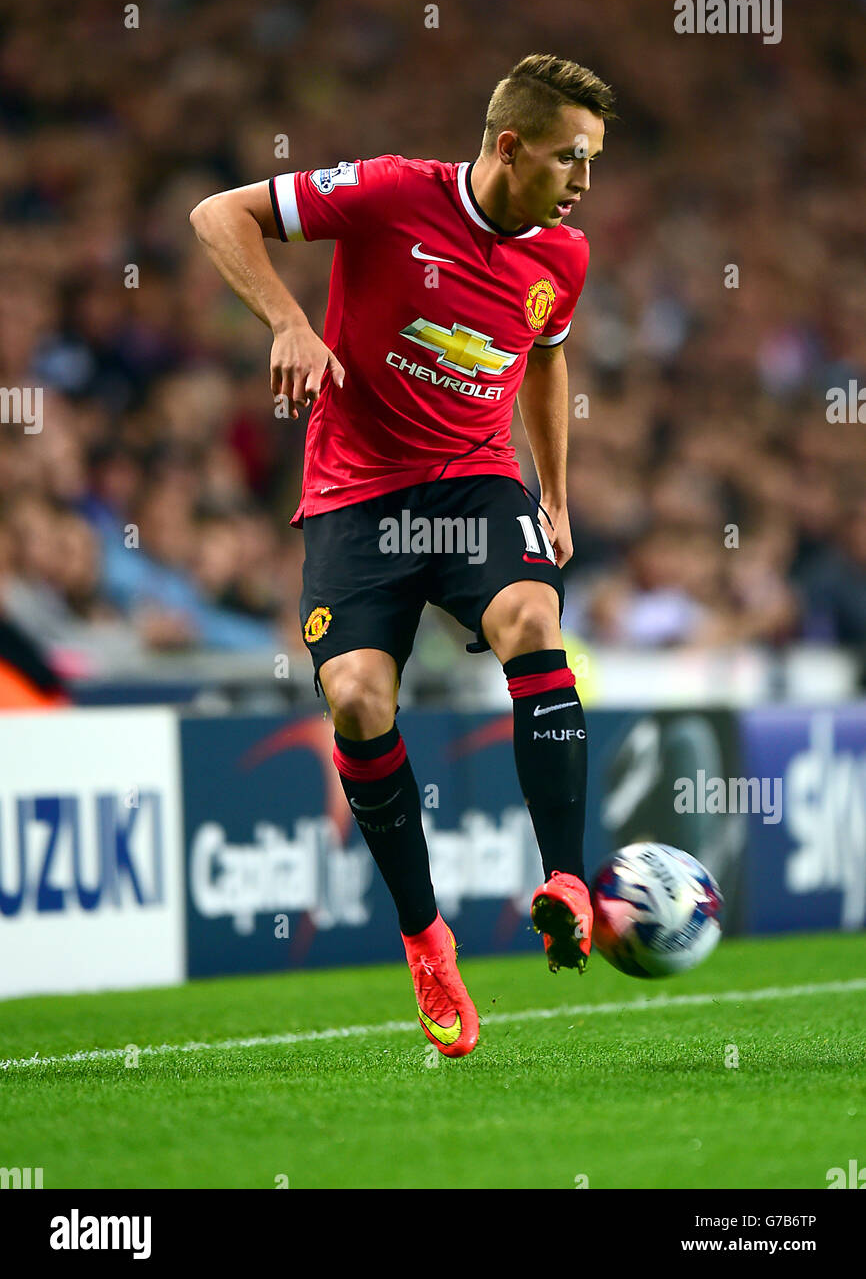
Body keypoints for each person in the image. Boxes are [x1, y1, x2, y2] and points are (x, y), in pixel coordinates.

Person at [190, 54, 615, 1058]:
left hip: (474, 482)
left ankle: (564, 880)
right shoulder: (388, 194)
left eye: (590, 161)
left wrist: (552, 489)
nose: (582, 182)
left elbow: (544, 360)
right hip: (357, 491)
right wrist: (289, 323)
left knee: (529, 620)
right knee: (356, 702)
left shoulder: (562, 256)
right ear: (508, 146)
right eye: (568, 158)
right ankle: (426, 939)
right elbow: (219, 214)